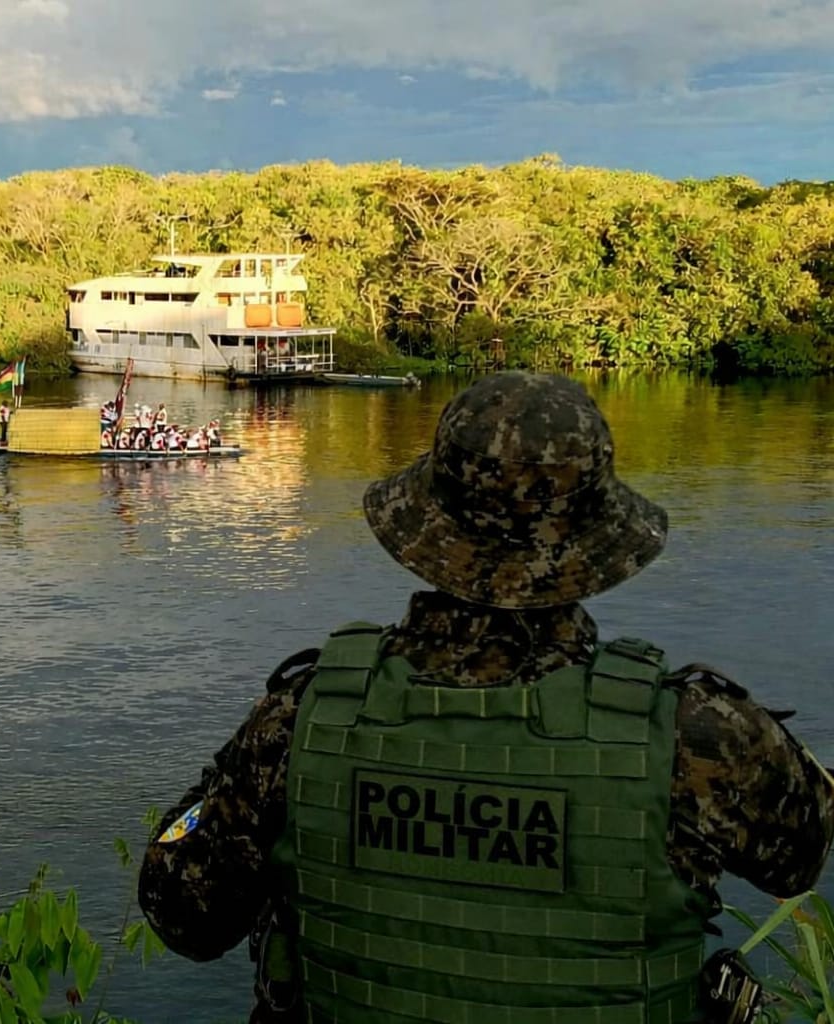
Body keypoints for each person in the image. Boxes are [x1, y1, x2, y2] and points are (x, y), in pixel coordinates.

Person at [138, 371, 834, 1024]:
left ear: (426, 527)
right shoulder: (700, 738)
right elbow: (798, 860)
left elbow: (184, 917)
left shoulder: (299, 723)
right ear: (596, 541)